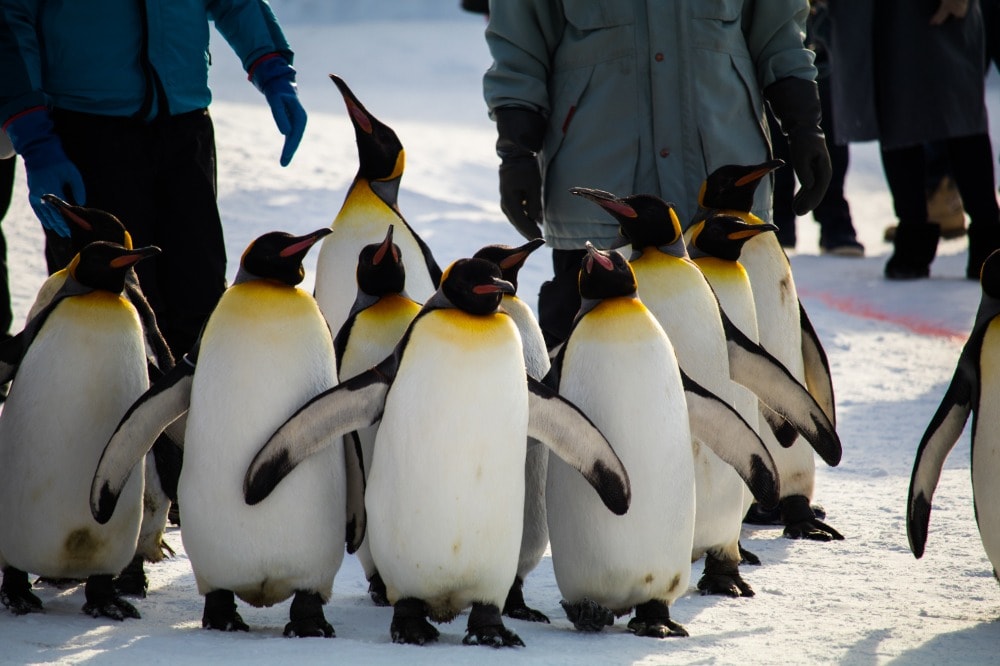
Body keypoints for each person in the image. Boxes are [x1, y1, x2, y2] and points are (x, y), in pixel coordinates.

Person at [482, 1, 832, 348]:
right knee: (589, 373)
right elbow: (520, 43)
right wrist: (517, 151)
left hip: (721, 192)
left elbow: (780, 33)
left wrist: (804, 126)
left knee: (740, 365)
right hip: (598, 184)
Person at [0, 1, 307, 358]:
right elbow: (9, 16)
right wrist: (34, 137)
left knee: (199, 305)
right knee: (106, 320)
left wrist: (273, 69)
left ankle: (191, 412)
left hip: (185, 130)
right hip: (87, 136)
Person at [829, 0, 1000, 280]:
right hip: (879, 12)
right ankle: (913, 233)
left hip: (933, 10)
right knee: (896, 111)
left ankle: (989, 239)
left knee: (959, 112)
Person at [772, 1, 864, 257]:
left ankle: (834, 218)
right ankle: (778, 221)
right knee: (774, 104)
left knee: (824, 121)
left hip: (822, 25)